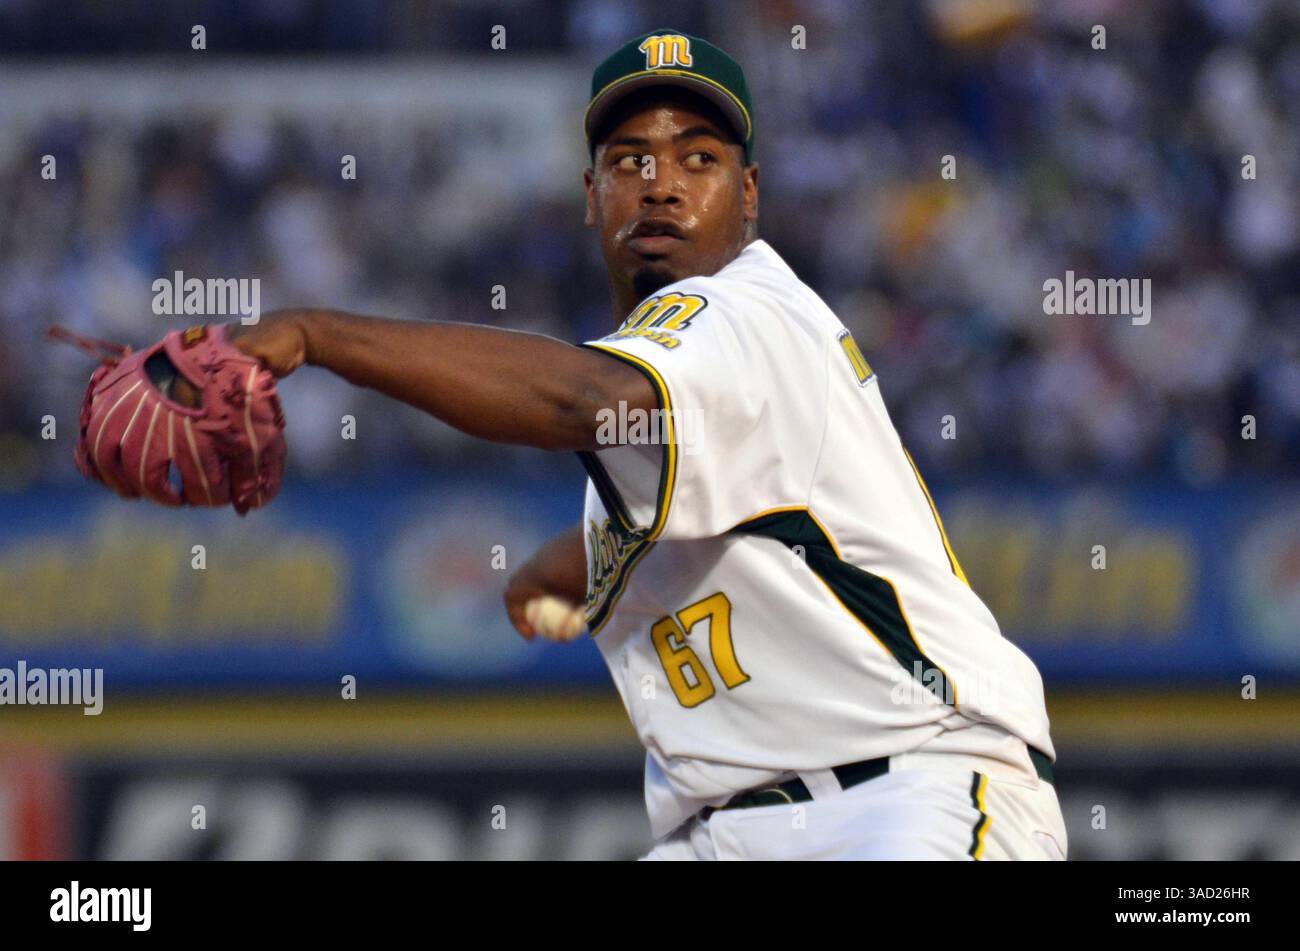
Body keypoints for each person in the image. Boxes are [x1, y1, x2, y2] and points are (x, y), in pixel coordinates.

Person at [231, 30, 1067, 860]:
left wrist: (316, 334)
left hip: (909, 795)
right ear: (592, 194)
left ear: (749, 194)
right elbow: (718, 519)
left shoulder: (744, 310)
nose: (661, 184)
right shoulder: (670, 403)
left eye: (698, 159)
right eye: (631, 161)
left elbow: (581, 399)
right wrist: (561, 568)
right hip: (727, 832)